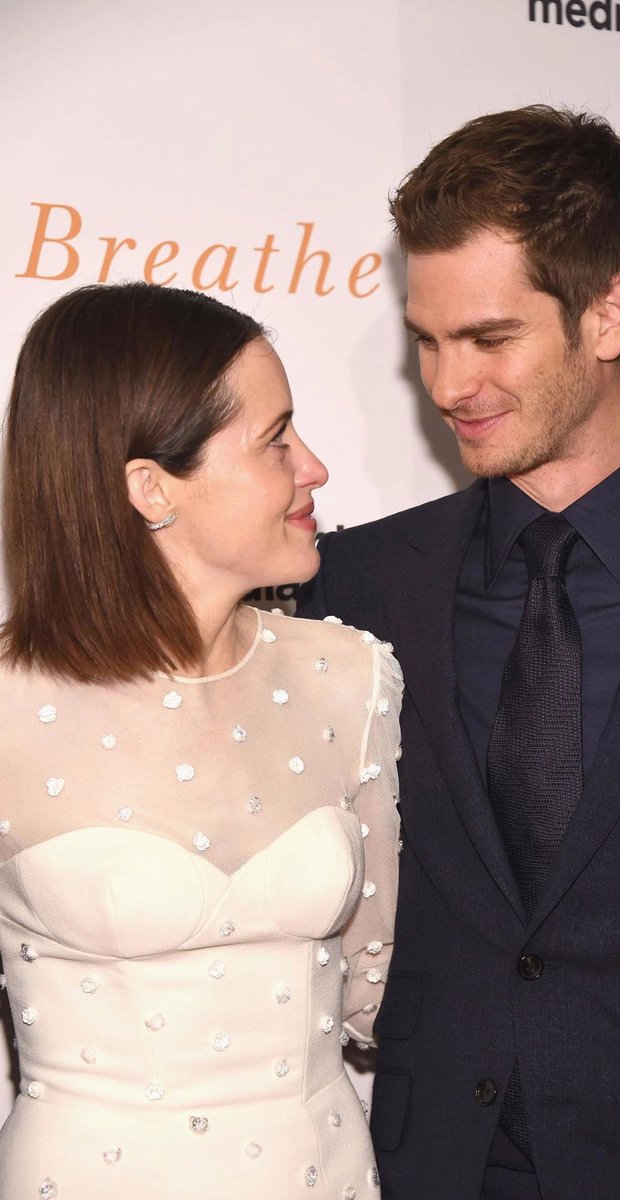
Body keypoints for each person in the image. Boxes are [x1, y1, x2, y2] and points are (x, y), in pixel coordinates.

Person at [297, 105, 620, 1199]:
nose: (445, 386)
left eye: (488, 339)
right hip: (433, 1167)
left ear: (610, 311)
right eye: (426, 341)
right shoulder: (354, 584)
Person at [0, 282, 402, 1199]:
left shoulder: (351, 676)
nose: (315, 469)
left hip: (322, 1173)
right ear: (151, 488)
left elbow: (374, 987)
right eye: (276, 440)